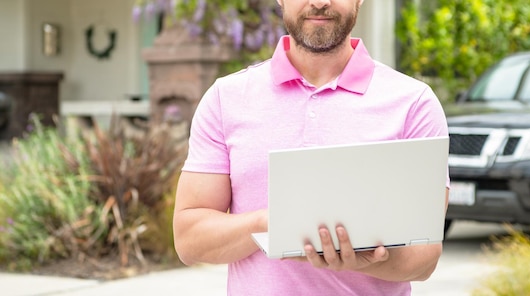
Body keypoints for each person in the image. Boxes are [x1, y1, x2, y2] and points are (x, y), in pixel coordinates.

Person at [173, 0, 450, 295]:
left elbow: (425, 258)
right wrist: (272, 222)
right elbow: (189, 239)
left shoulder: (414, 103)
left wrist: (361, 257)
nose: (319, 2)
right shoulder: (225, 99)